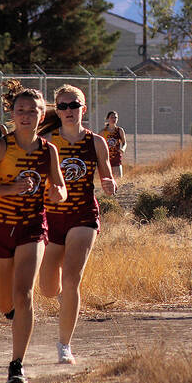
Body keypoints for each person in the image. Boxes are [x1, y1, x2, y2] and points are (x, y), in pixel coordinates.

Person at [0, 82, 67, 383]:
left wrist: (57, 195)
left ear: (42, 114)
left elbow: (60, 186)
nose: (26, 115)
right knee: (5, 302)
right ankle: (15, 317)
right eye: (20, 110)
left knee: (24, 294)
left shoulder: (48, 150)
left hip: (32, 226)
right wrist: (8, 189)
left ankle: (16, 365)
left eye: (32, 110)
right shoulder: (2, 147)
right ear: (12, 113)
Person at [37, 85, 117, 364]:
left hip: (83, 215)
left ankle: (64, 345)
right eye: (63, 106)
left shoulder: (96, 142)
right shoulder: (46, 141)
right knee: (47, 288)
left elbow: (107, 179)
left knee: (72, 279)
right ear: (57, 111)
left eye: (74, 105)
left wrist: (110, 185)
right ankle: (64, 299)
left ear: (84, 109)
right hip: (51, 217)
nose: (68, 111)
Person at [101, 110, 127, 180]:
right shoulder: (103, 132)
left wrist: (123, 149)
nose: (114, 119)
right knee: (107, 181)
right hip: (106, 159)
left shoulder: (119, 130)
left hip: (116, 159)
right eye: (112, 117)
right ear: (107, 119)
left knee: (119, 180)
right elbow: (97, 143)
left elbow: (124, 142)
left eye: (115, 117)